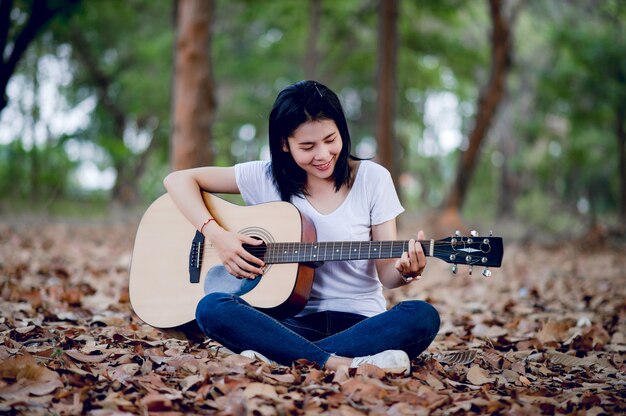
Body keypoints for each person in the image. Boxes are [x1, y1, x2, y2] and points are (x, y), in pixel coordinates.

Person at [163, 80, 440, 373]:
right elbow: (177, 180)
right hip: (286, 323)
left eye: (331, 140)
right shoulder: (264, 177)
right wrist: (216, 235)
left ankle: (289, 357)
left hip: (362, 324)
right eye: (307, 146)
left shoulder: (373, 179)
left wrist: (405, 272)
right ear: (284, 144)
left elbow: (387, 275)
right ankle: (342, 362)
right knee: (211, 307)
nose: (322, 155)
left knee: (421, 315)